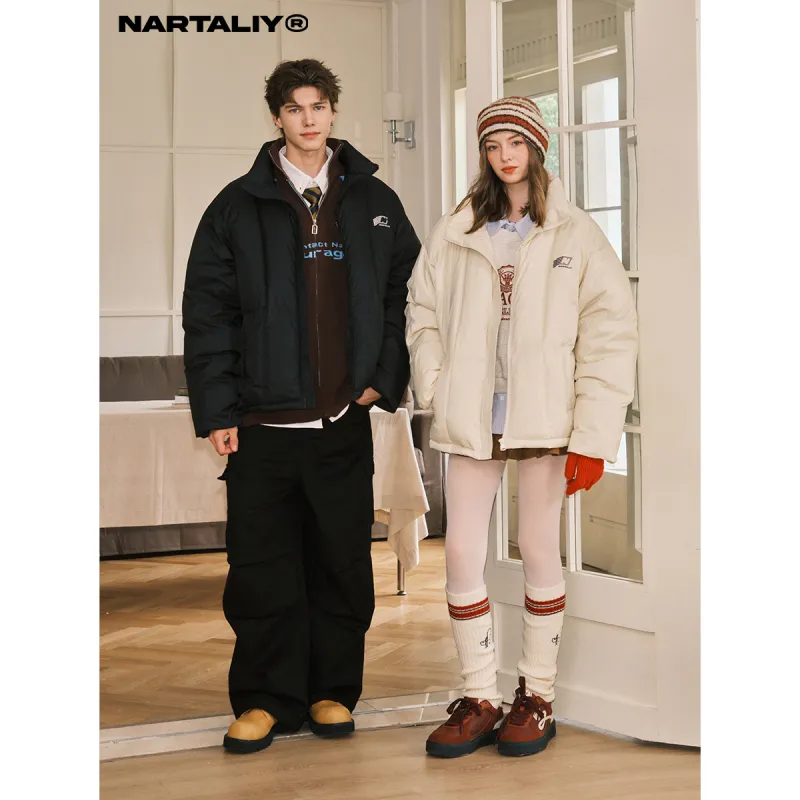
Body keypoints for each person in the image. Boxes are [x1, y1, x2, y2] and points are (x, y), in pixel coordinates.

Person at [182, 58, 421, 754]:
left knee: (341, 561)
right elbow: (209, 313)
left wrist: (380, 377)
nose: (308, 119)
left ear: (333, 112)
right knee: (261, 567)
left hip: (341, 421)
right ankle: (265, 700)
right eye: (295, 108)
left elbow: (406, 295)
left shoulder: (374, 200)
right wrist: (218, 410)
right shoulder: (236, 206)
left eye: (319, 106)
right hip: (262, 425)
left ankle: (330, 692)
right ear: (277, 117)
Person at [406, 96, 638, 758]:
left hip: (545, 416)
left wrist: (592, 437)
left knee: (537, 547)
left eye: (515, 143)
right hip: (475, 414)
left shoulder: (576, 233)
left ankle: (537, 696)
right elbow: (421, 312)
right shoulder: (457, 230)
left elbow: (609, 334)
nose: (504, 156)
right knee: (459, 553)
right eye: (492, 145)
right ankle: (479, 695)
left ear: (536, 149)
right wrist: (437, 385)